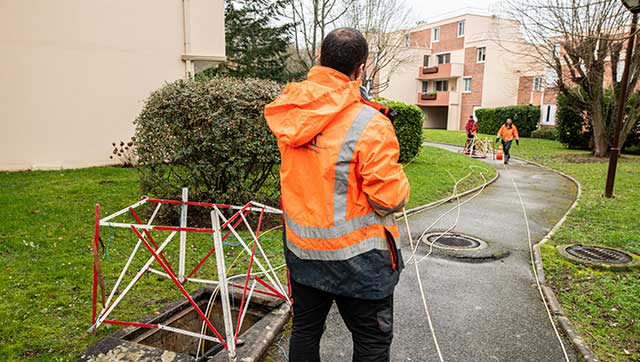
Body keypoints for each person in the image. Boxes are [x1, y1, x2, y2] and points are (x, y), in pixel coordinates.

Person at [264, 27, 410, 362]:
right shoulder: (372, 124)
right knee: (372, 343)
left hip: (303, 254)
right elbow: (388, 199)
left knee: (305, 330)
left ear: (319, 57)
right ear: (361, 68)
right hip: (360, 263)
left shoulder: (293, 110)